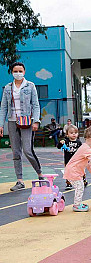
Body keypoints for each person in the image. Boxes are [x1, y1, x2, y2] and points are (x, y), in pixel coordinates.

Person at [0, 62, 43, 191]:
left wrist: (36, 121)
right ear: (12, 72)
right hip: (12, 122)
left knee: (27, 150)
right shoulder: (8, 88)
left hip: (26, 122)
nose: (17, 73)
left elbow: (35, 105)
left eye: (20, 71)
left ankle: (40, 174)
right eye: (15, 71)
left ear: (24, 72)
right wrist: (1, 124)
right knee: (15, 152)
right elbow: (3, 107)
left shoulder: (30, 86)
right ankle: (19, 180)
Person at [57, 124, 88, 190]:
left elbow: (82, 150)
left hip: (77, 160)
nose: (74, 134)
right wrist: (60, 143)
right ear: (67, 134)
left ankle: (83, 179)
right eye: (71, 133)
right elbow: (59, 146)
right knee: (68, 172)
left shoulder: (78, 142)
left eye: (75, 133)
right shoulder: (66, 141)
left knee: (79, 170)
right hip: (68, 160)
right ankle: (68, 183)